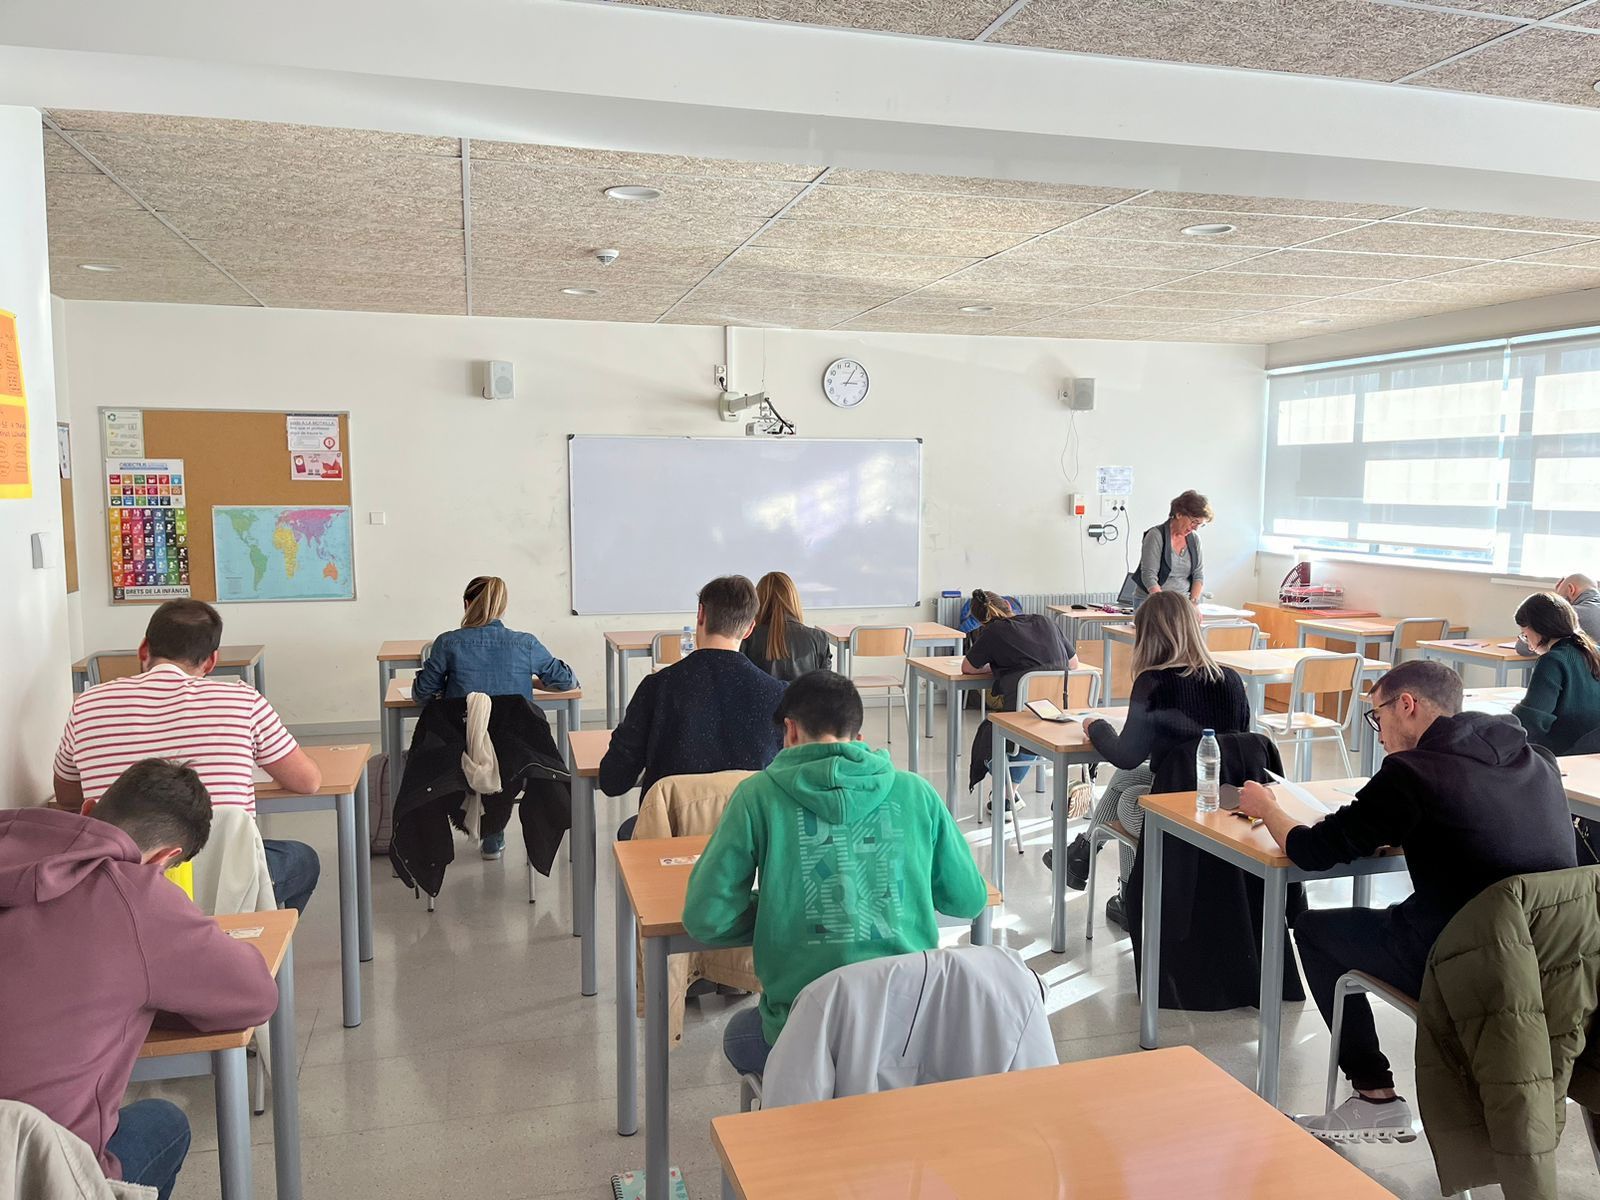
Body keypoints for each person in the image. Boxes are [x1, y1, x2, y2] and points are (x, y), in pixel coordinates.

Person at [1237, 659, 1577, 1144]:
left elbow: (1312, 851)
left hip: (1468, 960)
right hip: (1556, 962)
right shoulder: (1534, 758)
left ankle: (1374, 1096)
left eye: (1377, 716)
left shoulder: (1411, 773)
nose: (1377, 733)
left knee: (1314, 929)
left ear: (1407, 705)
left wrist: (1267, 807)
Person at [683, 671, 989, 1077]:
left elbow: (705, 917)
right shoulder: (917, 792)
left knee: (738, 1035)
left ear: (791, 731)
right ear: (857, 738)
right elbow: (969, 900)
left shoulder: (756, 796)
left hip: (804, 1036)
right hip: (909, 1032)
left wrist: (779, 912)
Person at [0, 759, 281, 1200]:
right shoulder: (134, 895)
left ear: (88, 809)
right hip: (39, 1177)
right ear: (165, 858)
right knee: (164, 1123)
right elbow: (256, 997)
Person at [53, 599, 323, 912]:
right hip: (225, 885)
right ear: (211, 661)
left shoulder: (88, 703)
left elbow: (68, 797)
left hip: (120, 886)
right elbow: (308, 782)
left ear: (143, 649)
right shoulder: (242, 700)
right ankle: (261, 937)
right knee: (302, 860)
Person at [1067, 590, 1250, 930]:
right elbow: (1242, 747)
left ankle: (1128, 896)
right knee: (1128, 782)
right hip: (1225, 803)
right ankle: (1082, 855)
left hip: (1180, 815)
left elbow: (1126, 755)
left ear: (1147, 636)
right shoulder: (1232, 680)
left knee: (1128, 802)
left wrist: (1096, 727)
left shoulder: (1153, 683)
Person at [600, 576, 787, 830]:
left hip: (671, 838)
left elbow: (613, 780)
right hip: (749, 840)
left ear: (701, 614)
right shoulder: (778, 695)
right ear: (749, 629)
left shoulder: (657, 687)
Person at [412, 575, 579, 859]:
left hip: (462, 748)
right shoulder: (525, 644)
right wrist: (531, 681)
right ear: (502, 607)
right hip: (518, 752)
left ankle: (446, 841)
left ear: (467, 604)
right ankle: (493, 834)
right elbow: (567, 681)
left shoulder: (447, 643)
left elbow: (421, 693)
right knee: (503, 749)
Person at [961, 589, 1079, 802]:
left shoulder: (992, 632)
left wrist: (993, 667)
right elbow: (1073, 663)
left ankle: (1006, 792)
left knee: (991, 735)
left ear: (980, 621)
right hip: (1062, 712)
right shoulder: (1045, 621)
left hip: (1024, 717)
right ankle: (1008, 795)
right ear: (1008, 604)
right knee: (1031, 725)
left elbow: (968, 668)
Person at [1511, 590, 1600, 755]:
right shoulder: (1595, 651)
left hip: (1562, 753)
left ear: (1539, 628)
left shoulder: (1552, 661)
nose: (1527, 642)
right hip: (1593, 753)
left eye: (1525, 635)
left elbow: (1531, 721)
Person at [740, 570, 831, 681]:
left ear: (759, 601)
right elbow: (825, 686)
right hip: (804, 693)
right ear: (794, 600)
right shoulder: (819, 639)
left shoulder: (747, 637)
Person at [1134, 489, 1211, 605]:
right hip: (1153, 602)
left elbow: (1198, 574)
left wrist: (1193, 604)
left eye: (1200, 524)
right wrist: (1166, 606)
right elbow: (1149, 576)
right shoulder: (1156, 535)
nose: (1195, 528)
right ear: (1179, 514)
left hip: (1182, 603)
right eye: (1194, 522)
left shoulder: (1195, 539)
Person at [1516, 572, 1600, 653]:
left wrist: (1555, 602)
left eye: (1560, 597)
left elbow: (1523, 648)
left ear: (1571, 589)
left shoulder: (1572, 615)